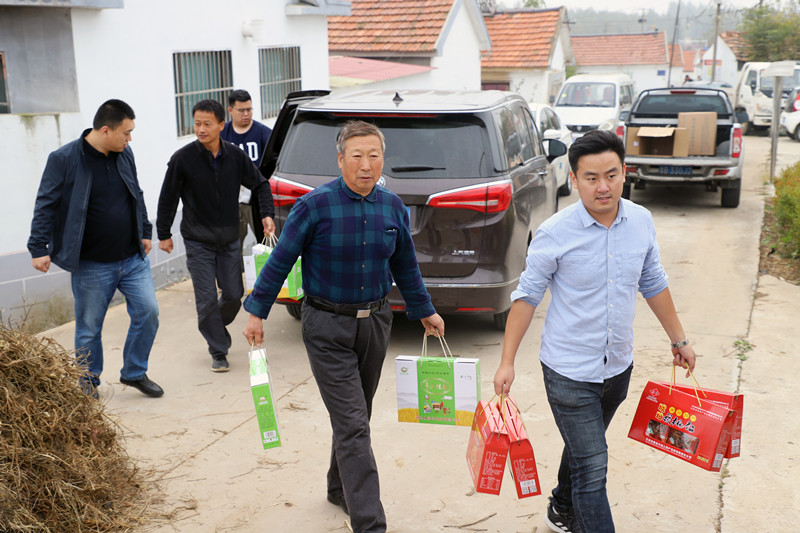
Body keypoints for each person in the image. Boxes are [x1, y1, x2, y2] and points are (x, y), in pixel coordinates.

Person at [242, 121, 445, 533]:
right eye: (357, 156)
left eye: (374, 156)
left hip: (375, 322)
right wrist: (256, 311)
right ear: (340, 160)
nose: (366, 165)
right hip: (326, 325)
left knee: (357, 415)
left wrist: (425, 309)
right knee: (353, 423)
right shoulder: (314, 206)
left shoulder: (392, 207)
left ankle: (339, 487)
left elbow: (405, 264)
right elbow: (281, 260)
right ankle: (370, 523)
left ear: (383, 159)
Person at [492, 130, 697, 533]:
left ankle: (560, 506)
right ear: (574, 179)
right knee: (593, 467)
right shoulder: (555, 232)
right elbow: (527, 297)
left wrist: (680, 340)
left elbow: (653, 281)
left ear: (624, 172)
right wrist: (506, 361)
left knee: (584, 448)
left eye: (611, 175)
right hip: (568, 370)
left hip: (618, 366)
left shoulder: (640, 221)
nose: (603, 187)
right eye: (591, 178)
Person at [27, 99, 162, 399]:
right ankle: (88, 380)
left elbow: (136, 192)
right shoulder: (64, 159)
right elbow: (45, 203)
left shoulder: (125, 154)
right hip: (91, 264)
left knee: (149, 312)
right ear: (105, 130)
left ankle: (134, 372)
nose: (130, 139)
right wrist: (38, 247)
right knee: (89, 328)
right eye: (126, 132)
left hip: (132, 258)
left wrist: (145, 230)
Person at [156, 99, 275, 373]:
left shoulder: (235, 156)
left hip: (229, 239)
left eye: (207, 124)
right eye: (197, 123)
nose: (201, 129)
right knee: (207, 299)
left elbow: (260, 184)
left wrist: (266, 214)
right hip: (198, 241)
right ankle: (218, 350)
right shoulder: (183, 159)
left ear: (221, 125)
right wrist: (163, 233)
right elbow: (168, 198)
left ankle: (214, 326)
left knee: (234, 294)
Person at [221, 89, 273, 248]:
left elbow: (272, 165)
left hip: (255, 198)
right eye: (241, 110)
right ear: (230, 110)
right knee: (230, 246)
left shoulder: (263, 133)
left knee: (264, 242)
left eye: (249, 109)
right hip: (230, 200)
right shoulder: (222, 134)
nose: (246, 114)